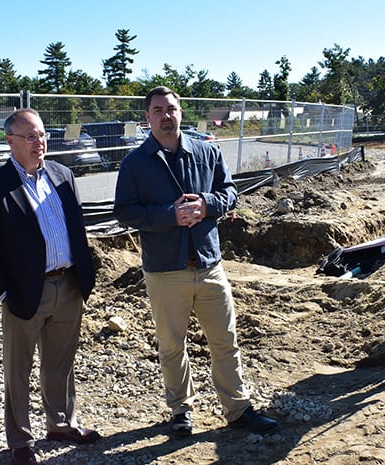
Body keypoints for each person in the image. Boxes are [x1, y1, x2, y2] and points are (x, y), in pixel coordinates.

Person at [113, 86, 278, 437]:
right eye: (157, 110)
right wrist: (169, 215)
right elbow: (124, 211)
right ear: (147, 117)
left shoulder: (206, 152)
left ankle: (238, 409)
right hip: (165, 270)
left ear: (181, 112)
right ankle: (180, 411)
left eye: (171, 109)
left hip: (208, 265)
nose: (165, 115)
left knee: (225, 340)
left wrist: (206, 205)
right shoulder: (135, 163)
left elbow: (229, 192)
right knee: (172, 346)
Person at [0, 108, 98, 465]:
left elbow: (77, 229)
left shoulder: (63, 175)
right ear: (10, 142)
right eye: (30, 137)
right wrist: (3, 291)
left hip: (68, 285)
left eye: (42, 135)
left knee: (61, 363)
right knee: (18, 370)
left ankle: (61, 423)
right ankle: (20, 441)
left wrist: (84, 276)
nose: (39, 142)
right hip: (25, 292)